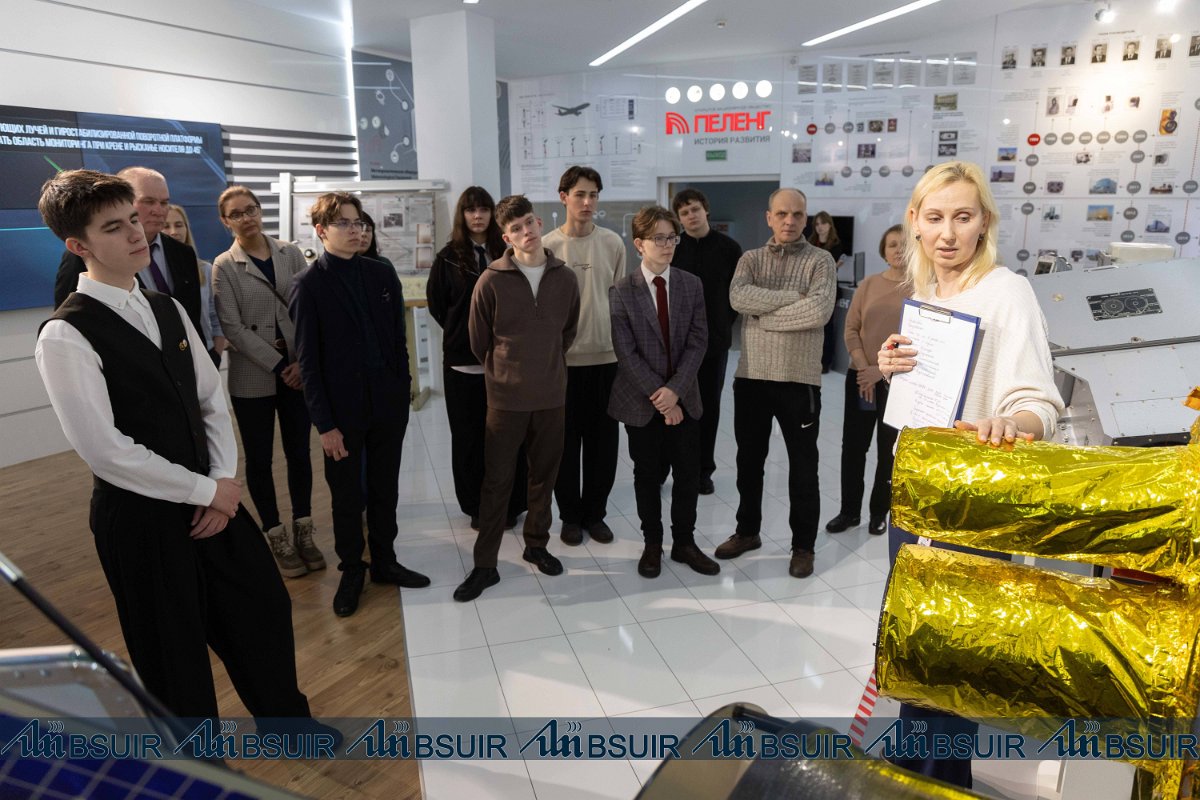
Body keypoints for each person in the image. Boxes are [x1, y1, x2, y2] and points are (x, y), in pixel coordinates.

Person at [34, 169, 314, 722]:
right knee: (171, 654)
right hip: (141, 519)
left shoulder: (168, 307)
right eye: (114, 227)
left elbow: (211, 400)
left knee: (260, 611)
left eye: (134, 219)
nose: (137, 233)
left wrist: (222, 484)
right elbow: (105, 450)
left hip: (214, 499)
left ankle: (287, 725)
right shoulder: (66, 334)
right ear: (78, 246)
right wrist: (206, 491)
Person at [879, 161, 1063, 788]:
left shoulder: (1007, 291)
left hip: (971, 510)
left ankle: (942, 782)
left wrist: (1012, 423)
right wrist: (894, 369)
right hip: (917, 498)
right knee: (915, 648)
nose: (948, 233)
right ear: (914, 222)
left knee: (953, 663)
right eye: (935, 218)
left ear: (985, 221)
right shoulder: (928, 296)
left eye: (963, 217)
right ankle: (909, 771)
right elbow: (926, 402)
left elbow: (1039, 403)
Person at [290, 192, 430, 618]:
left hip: (387, 404)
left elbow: (397, 339)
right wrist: (325, 425)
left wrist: (403, 388)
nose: (356, 230)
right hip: (342, 413)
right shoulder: (308, 285)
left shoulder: (380, 273)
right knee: (347, 496)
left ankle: (385, 560)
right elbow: (308, 364)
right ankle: (353, 569)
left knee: (386, 488)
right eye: (344, 224)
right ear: (321, 231)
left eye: (359, 223)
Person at [454, 194, 580, 602]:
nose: (526, 233)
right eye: (515, 229)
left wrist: (545, 365)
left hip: (551, 396)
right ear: (506, 238)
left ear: (538, 223)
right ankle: (485, 564)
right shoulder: (490, 280)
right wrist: (506, 371)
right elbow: (479, 342)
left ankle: (536, 545)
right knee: (497, 481)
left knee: (544, 476)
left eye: (529, 223)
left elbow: (567, 332)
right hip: (505, 400)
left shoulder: (565, 278)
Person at [712, 188, 835, 579]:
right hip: (751, 379)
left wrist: (764, 316)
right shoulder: (750, 259)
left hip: (799, 381)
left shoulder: (821, 261)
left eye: (797, 214)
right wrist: (792, 298)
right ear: (769, 217)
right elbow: (738, 298)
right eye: (782, 213)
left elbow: (818, 310)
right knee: (748, 465)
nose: (789, 221)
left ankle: (804, 546)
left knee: (803, 469)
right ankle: (747, 532)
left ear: (806, 218)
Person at [211, 186, 324, 580]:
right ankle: (276, 534)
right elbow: (233, 328)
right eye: (237, 214)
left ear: (260, 211)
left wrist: (302, 363)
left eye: (251, 209)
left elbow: (308, 309)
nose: (247, 218)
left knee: (299, 453)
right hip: (253, 376)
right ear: (225, 221)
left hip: (298, 372)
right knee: (260, 459)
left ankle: (304, 528)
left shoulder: (289, 253)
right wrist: (281, 365)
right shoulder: (224, 266)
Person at [609, 206, 719, 579]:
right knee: (647, 475)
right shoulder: (622, 291)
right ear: (639, 244)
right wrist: (661, 397)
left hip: (684, 397)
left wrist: (675, 392)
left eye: (672, 237)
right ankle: (652, 544)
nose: (668, 244)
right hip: (641, 402)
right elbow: (626, 353)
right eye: (659, 238)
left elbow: (699, 341)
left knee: (688, 474)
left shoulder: (691, 284)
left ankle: (684, 543)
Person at [427, 187, 527, 531]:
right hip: (463, 364)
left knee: (508, 438)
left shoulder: (510, 252)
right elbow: (439, 306)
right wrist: (465, 335)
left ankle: (511, 504)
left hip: (506, 363)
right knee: (468, 439)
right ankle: (476, 506)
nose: (478, 215)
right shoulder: (447, 258)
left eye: (484, 209)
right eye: (471, 210)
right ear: (463, 215)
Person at [543, 166, 626, 547]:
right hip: (563, 364)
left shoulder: (612, 243)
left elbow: (621, 303)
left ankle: (596, 515)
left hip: (606, 361)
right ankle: (570, 517)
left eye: (593, 194)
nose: (588, 202)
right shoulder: (547, 247)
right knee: (563, 445)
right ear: (564, 197)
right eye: (580, 194)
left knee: (603, 446)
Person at [824, 225, 909, 536]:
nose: (898, 250)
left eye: (904, 244)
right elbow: (851, 330)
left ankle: (878, 512)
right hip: (861, 379)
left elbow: (918, 341)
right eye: (892, 244)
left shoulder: (922, 290)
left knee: (889, 449)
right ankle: (848, 512)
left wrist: (880, 372)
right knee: (854, 447)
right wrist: (865, 370)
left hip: (897, 383)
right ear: (883, 251)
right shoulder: (869, 285)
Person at [53, 167, 204, 341]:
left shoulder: (183, 252)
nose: (158, 210)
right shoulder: (82, 257)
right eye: (148, 201)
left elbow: (193, 317)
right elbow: (72, 318)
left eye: (164, 203)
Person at [671, 188, 742, 495]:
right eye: (684, 212)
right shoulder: (673, 248)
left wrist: (723, 324)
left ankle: (703, 471)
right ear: (679, 218)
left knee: (708, 408)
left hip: (714, 345)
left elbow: (737, 295)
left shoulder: (729, 248)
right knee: (675, 405)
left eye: (695, 209)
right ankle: (674, 468)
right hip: (677, 345)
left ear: (706, 210)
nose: (691, 216)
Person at [163, 204, 225, 367]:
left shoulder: (205, 270)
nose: (174, 231)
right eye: (166, 226)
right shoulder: (150, 273)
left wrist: (216, 356)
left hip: (205, 354)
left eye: (179, 225)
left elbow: (216, 318)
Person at [809, 211, 846, 373]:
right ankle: (811, 360)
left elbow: (827, 268)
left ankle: (825, 362)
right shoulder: (811, 243)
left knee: (826, 327)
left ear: (829, 225)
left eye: (823, 223)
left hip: (829, 290)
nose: (820, 227)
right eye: (817, 224)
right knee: (811, 327)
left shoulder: (836, 244)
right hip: (812, 290)